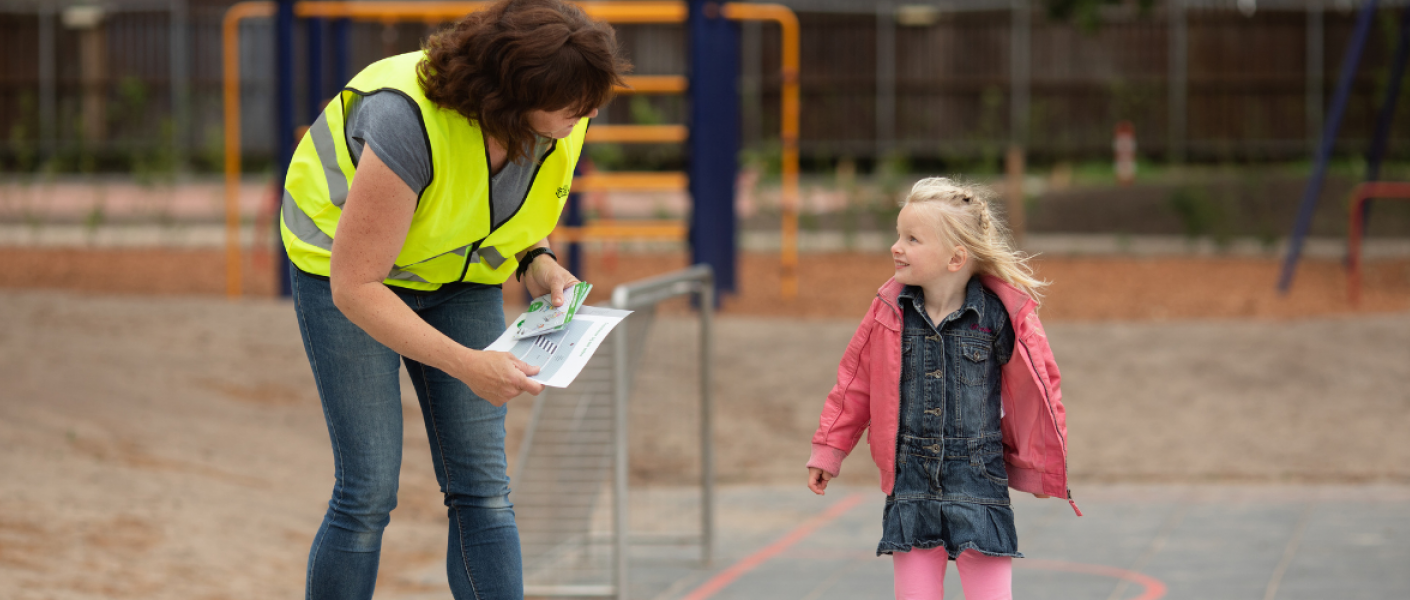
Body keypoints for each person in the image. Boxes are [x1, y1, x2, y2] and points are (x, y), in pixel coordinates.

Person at [279, 1, 629, 598]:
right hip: (351, 279)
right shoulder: (405, 120)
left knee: (484, 488)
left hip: (457, 276)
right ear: (514, 97)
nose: (589, 113)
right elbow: (356, 286)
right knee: (368, 491)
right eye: (574, 104)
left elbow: (501, 197)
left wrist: (534, 260)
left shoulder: (560, 114)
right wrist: (466, 364)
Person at [805, 178, 1080, 600]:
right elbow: (854, 383)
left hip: (980, 481)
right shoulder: (888, 312)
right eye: (898, 235)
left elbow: (1038, 392)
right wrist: (830, 449)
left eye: (912, 239)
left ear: (956, 258)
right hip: (910, 483)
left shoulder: (999, 317)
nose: (896, 247)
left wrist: (1036, 467)